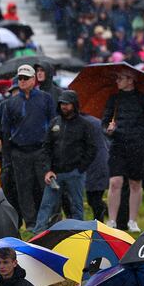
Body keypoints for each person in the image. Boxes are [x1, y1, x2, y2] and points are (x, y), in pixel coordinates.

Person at [0, 65, 55, 230]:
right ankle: (31, 223)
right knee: (23, 188)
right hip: (19, 150)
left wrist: (52, 149)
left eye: (25, 78)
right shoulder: (10, 103)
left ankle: (45, 221)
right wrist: (8, 154)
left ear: (33, 80)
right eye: (20, 78)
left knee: (43, 187)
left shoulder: (46, 98)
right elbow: (6, 130)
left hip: (41, 149)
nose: (22, 81)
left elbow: (53, 123)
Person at [34, 90, 96, 234]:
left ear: (74, 105)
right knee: (46, 205)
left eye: (67, 104)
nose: (64, 107)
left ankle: (80, 234)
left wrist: (81, 168)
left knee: (76, 206)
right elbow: (46, 147)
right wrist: (47, 169)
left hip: (75, 173)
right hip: (55, 174)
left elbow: (92, 148)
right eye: (62, 103)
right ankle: (37, 235)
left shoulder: (84, 125)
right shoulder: (54, 123)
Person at [102, 70, 144, 232]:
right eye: (117, 77)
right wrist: (108, 130)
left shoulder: (143, 99)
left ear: (130, 80)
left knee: (135, 183)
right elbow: (104, 123)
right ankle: (112, 220)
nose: (117, 80)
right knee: (115, 182)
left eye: (120, 78)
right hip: (118, 145)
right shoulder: (114, 99)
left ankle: (132, 221)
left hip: (137, 147)